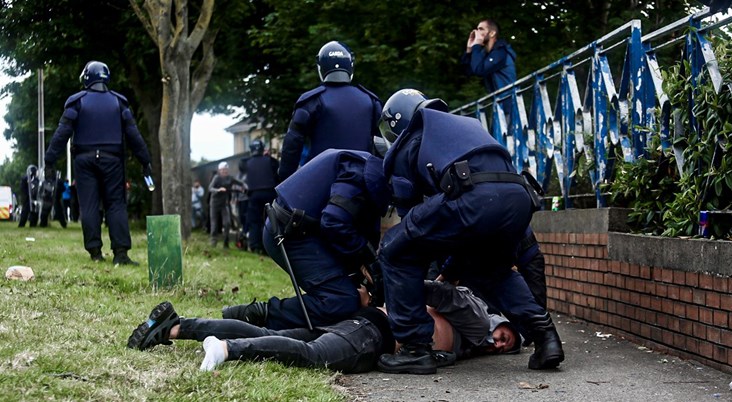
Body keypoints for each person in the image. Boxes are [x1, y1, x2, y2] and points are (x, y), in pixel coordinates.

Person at [374, 89, 564, 374]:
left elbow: (410, 222)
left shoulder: (409, 141)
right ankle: (546, 339)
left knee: (394, 249)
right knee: (489, 270)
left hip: (473, 197)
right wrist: (450, 271)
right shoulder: (465, 126)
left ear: (395, 126)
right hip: (519, 197)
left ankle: (415, 349)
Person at [127, 280, 520, 374]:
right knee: (314, 357)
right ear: (500, 322)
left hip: (363, 324)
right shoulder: (474, 316)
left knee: (273, 337)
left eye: (507, 348)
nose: (501, 345)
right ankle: (225, 350)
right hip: (372, 332)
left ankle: (176, 327)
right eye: (507, 337)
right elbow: (444, 292)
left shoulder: (469, 344)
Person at [221, 149, 390, 330]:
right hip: (291, 234)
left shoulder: (364, 166)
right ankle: (254, 315)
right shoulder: (361, 174)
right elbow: (334, 221)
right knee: (342, 300)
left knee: (346, 294)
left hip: (298, 229)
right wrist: (367, 259)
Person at [44, 61, 152, 264]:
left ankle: (95, 253)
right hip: (113, 160)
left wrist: (49, 160)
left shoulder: (76, 102)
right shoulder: (119, 102)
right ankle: (121, 254)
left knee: (89, 205)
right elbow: (134, 135)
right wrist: (145, 161)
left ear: (86, 78)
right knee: (116, 205)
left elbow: (62, 133)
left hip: (84, 160)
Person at [278, 41, 382, 181]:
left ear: (321, 68)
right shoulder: (370, 100)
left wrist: (285, 177)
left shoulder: (312, 101)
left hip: (321, 181)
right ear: (350, 66)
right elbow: (383, 144)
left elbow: (292, 144)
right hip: (363, 180)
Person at [461, 19, 517, 99]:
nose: (477, 32)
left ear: (492, 33)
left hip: (510, 102)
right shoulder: (485, 53)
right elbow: (468, 72)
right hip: (498, 103)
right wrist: (469, 50)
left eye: (481, 29)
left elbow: (479, 70)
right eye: (477, 29)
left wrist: (477, 45)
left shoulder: (501, 52)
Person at [245, 139, 279, 254]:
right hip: (269, 193)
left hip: (254, 194)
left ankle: (255, 245)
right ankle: (268, 247)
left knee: (254, 221)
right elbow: (277, 170)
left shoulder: (246, 162)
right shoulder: (270, 161)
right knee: (269, 220)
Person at [208, 161, 246, 248]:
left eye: (226, 170)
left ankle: (226, 243)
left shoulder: (230, 178)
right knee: (214, 224)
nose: (225, 171)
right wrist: (218, 190)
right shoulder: (216, 178)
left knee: (227, 223)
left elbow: (240, 183)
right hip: (214, 204)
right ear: (219, 170)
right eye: (223, 170)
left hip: (224, 204)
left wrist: (244, 186)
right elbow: (210, 188)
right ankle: (213, 242)